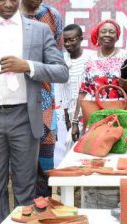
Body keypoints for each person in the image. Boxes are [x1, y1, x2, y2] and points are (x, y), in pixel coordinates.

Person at [0, 0, 68, 224]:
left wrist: (28, 66)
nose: (8, 4)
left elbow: (61, 71)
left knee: (25, 186)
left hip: (25, 117)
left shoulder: (39, 31)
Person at [73, 19, 127, 210]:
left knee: (117, 154)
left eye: (112, 31)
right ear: (97, 34)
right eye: (104, 31)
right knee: (97, 154)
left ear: (117, 35)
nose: (107, 35)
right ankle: (94, 205)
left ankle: (121, 205)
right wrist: (74, 121)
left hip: (121, 114)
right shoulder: (90, 61)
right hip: (95, 115)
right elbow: (83, 91)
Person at [20, 0, 64, 197]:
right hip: (16, 97)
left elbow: (58, 62)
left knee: (46, 152)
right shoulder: (9, 14)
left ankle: (46, 202)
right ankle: (23, 209)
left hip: (45, 96)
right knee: (21, 156)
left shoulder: (52, 15)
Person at [53, 24, 91, 166]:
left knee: (87, 149)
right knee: (72, 146)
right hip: (70, 112)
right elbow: (62, 88)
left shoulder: (90, 58)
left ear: (81, 39)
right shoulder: (63, 60)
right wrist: (68, 118)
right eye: (65, 41)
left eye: (72, 40)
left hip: (89, 111)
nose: (68, 44)